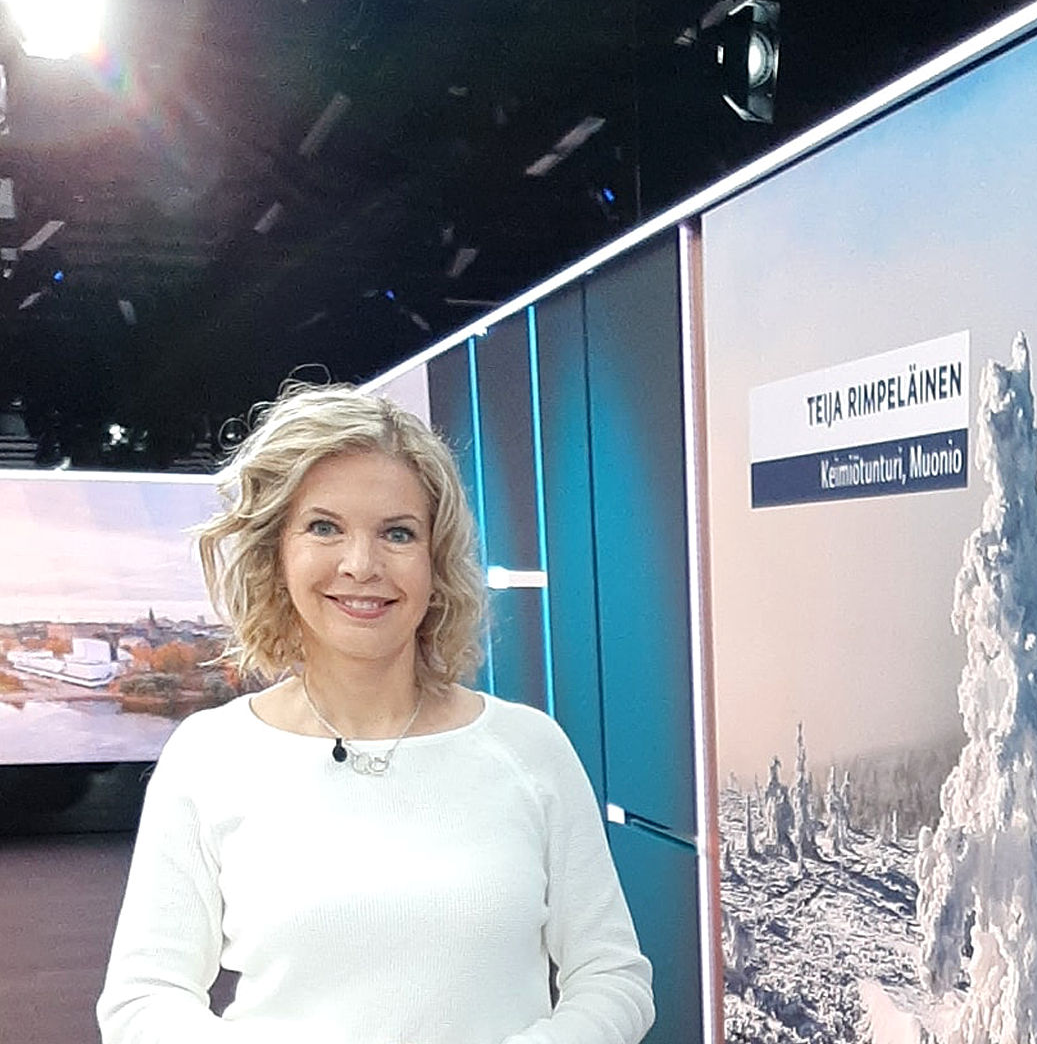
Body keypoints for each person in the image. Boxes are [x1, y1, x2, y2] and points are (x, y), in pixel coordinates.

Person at [98, 384, 656, 1044]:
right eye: (324, 527)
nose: (361, 565)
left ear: (435, 561)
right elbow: (144, 1000)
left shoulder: (529, 747)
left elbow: (613, 977)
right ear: (276, 553)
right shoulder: (210, 754)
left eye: (397, 533)